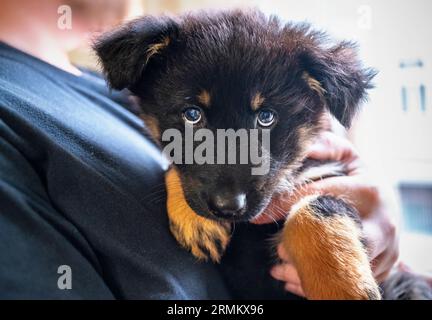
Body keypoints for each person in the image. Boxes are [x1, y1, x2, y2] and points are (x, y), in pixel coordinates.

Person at [0, 0, 399, 299]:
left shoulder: (114, 93)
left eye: (264, 122)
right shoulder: (13, 115)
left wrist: (363, 221)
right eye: (194, 114)